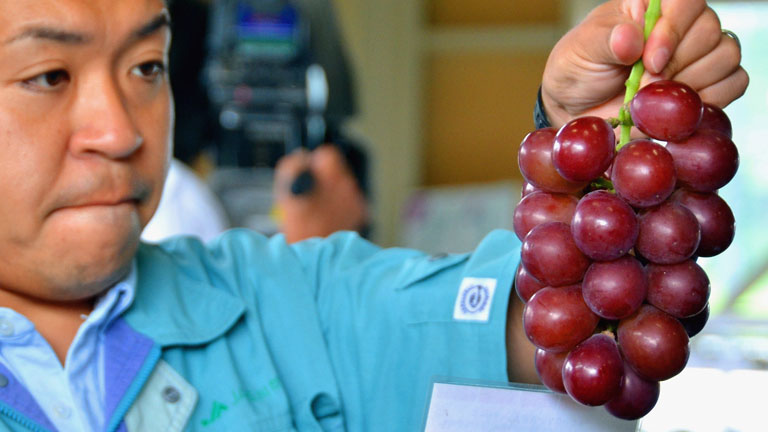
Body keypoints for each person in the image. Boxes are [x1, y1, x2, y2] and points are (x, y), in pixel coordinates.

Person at [0, 1, 746, 431]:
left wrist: (583, 156)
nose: (121, 129)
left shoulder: (279, 300)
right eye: (48, 76)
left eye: (146, 67)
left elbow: (571, 336)